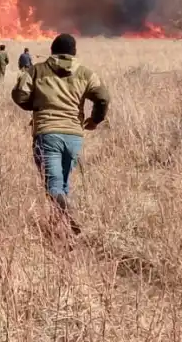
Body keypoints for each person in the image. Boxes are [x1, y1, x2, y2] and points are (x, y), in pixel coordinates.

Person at [11, 33, 110, 235]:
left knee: (53, 186)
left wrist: (36, 106)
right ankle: (63, 231)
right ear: (74, 52)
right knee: (63, 182)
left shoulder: (37, 70)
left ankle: (69, 213)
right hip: (74, 136)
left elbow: (20, 94)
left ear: (52, 50)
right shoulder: (85, 73)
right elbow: (103, 98)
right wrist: (94, 121)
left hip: (47, 133)